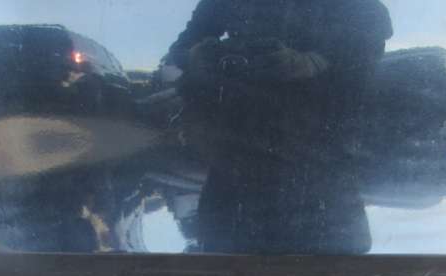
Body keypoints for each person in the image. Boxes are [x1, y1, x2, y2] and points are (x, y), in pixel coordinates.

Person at [165, 0, 393, 254]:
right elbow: (182, 48)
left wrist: (314, 62)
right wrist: (200, 55)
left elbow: (374, 29)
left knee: (334, 269)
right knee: (227, 267)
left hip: (321, 167)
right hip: (238, 164)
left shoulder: (359, 11)